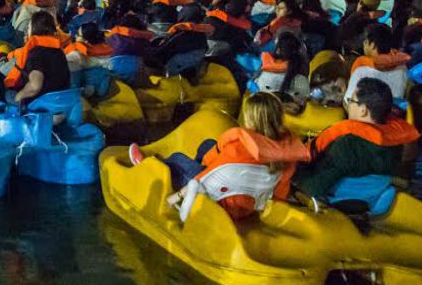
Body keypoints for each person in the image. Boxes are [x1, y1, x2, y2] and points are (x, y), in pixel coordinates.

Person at [130, 92, 310, 221]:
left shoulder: (238, 148)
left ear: (250, 119)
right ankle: (196, 161)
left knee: (178, 158)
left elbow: (207, 174)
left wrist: (176, 197)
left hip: (218, 199)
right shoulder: (287, 153)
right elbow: (280, 192)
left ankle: (145, 163)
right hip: (248, 204)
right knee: (208, 144)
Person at [294, 77, 420, 203]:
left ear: (363, 110)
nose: (349, 105)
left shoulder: (347, 144)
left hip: (342, 201)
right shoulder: (398, 142)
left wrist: (294, 180)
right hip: (376, 195)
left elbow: (313, 188)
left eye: (351, 101)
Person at [2, 11, 70, 104]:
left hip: (43, 103)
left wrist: (19, 96)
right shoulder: (59, 52)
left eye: (29, 27)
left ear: (33, 29)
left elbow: (35, 86)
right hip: (60, 100)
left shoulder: (36, 53)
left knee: (8, 94)